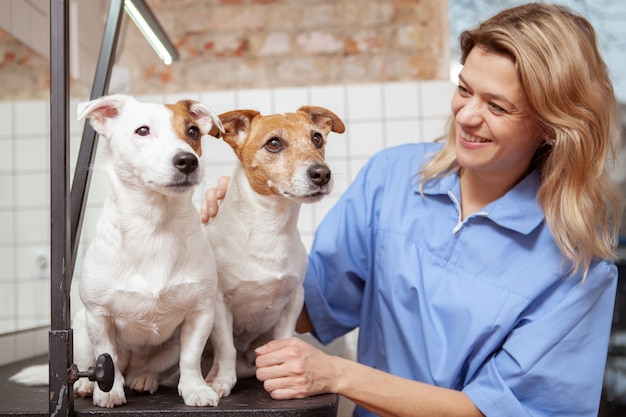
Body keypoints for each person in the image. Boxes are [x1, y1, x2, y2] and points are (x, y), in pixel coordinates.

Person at [201, 3, 624, 416]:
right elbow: (302, 305)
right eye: (464, 89)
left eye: (497, 106)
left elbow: (501, 408)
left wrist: (337, 376)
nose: (468, 115)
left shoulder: (577, 269)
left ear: (552, 127)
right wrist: (237, 234)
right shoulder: (392, 176)